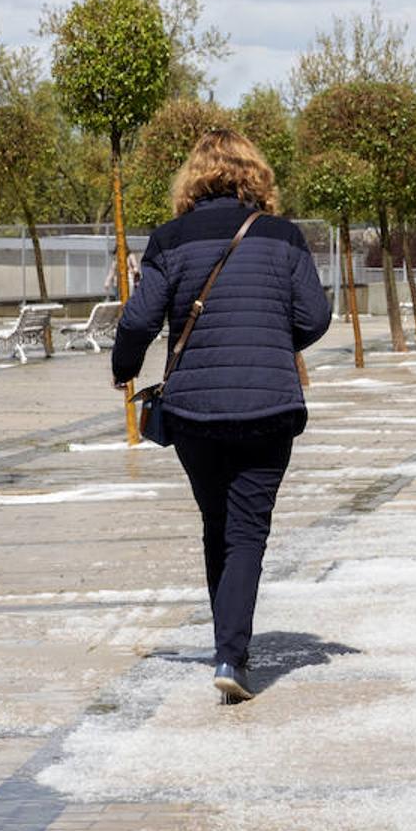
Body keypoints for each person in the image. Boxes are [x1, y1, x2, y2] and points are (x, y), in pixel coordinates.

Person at [111, 130, 332, 703]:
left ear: (192, 178)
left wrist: (125, 368)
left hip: (196, 410)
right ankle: (232, 655)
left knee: (217, 523)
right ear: (254, 175)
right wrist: (274, 340)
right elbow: (316, 315)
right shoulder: (284, 237)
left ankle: (228, 648)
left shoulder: (169, 239)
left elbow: (139, 320)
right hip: (268, 404)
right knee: (248, 530)